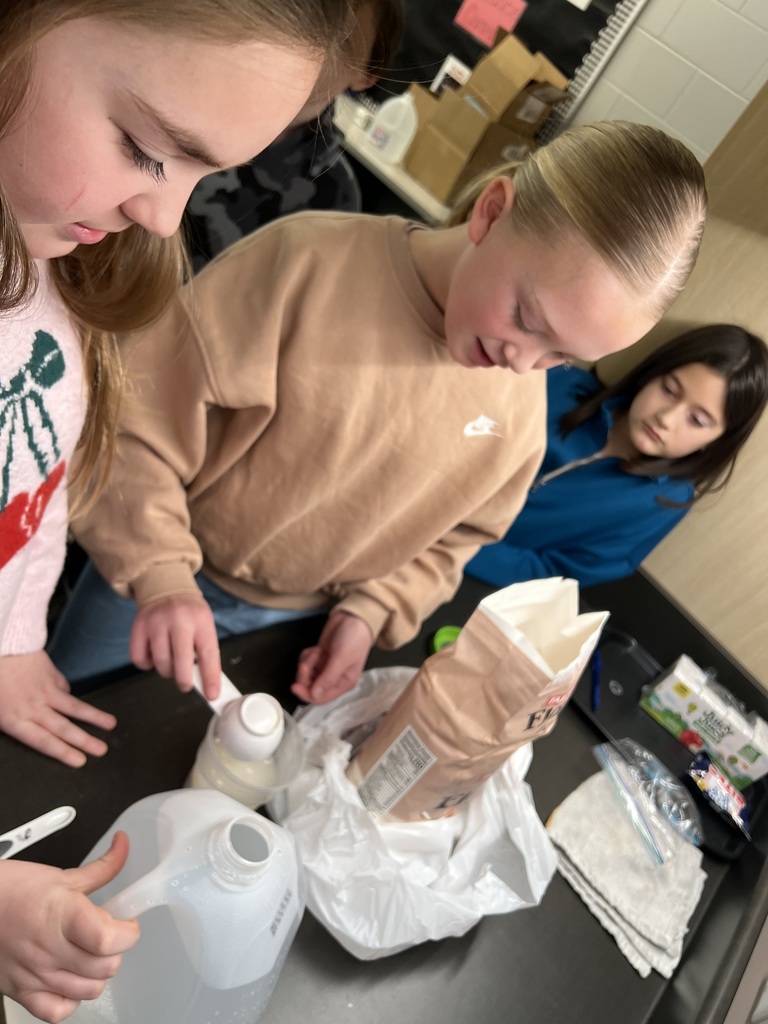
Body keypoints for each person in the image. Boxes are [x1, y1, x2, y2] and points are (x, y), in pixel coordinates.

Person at [48, 119, 707, 713]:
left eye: (563, 356)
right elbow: (133, 420)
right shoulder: (304, 265)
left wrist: (370, 613)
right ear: (492, 212)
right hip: (148, 577)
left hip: (290, 629)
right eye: (527, 319)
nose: (522, 361)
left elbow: (452, 541)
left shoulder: (518, 417)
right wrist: (160, 575)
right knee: (51, 742)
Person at [0, 2, 352, 1020]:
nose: (165, 217)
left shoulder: (60, 270)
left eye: (203, 175)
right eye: (145, 148)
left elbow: (39, 494)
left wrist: (18, 640)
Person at [466, 325, 768, 591]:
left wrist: (461, 546)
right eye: (669, 390)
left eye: (697, 421)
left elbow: (559, 574)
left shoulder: (664, 503)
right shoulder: (562, 384)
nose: (666, 418)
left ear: (717, 440)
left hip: (475, 583)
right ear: (651, 375)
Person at [185, 0, 404, 271]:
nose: (305, 50)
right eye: (298, 20)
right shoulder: (196, 95)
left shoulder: (332, 197)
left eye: (340, 42)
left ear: (366, 74)